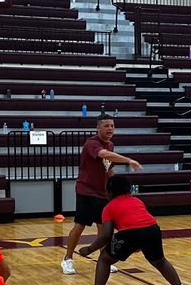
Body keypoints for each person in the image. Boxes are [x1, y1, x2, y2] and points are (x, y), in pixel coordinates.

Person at [78, 175, 191, 285]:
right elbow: (139, 223)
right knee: (160, 261)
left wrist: (89, 249)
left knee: (104, 259)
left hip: (131, 233)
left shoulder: (108, 207)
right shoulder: (137, 201)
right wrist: (137, 244)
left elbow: (106, 235)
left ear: (109, 191)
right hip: (153, 229)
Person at [60, 115, 141, 275]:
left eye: (112, 125)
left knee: (104, 228)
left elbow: (108, 167)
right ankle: (67, 259)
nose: (110, 128)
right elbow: (105, 155)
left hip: (102, 192)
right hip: (86, 190)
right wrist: (128, 160)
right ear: (98, 128)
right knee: (80, 225)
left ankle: (104, 259)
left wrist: (115, 189)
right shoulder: (92, 143)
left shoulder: (110, 144)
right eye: (106, 126)